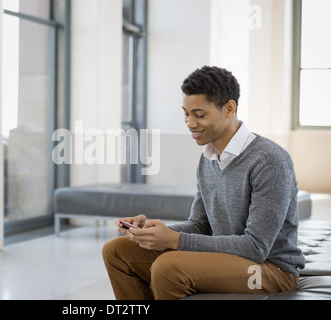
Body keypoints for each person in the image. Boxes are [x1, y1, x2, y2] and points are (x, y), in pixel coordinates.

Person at [102, 66, 305, 300]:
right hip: (232, 260)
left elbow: (256, 247)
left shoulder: (269, 160)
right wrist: (153, 232)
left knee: (169, 267)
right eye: (186, 114)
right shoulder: (207, 158)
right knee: (117, 250)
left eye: (199, 114)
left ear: (229, 108)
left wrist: (175, 240)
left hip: (270, 271)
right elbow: (200, 225)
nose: (190, 123)